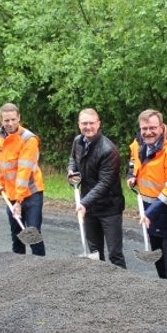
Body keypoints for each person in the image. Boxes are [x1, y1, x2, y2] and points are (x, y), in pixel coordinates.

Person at [127, 109, 167, 281]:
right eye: (144, 128)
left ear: (162, 127)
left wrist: (149, 213)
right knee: (159, 264)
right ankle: (164, 299)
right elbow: (134, 159)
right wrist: (131, 174)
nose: (148, 132)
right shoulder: (139, 143)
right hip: (151, 215)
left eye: (152, 128)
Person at [66, 108, 127, 268]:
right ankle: (98, 286)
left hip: (109, 207)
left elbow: (105, 183)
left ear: (98, 124)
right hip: (89, 207)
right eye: (84, 123)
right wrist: (72, 172)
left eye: (91, 123)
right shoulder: (78, 141)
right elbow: (73, 159)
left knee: (115, 254)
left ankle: (124, 287)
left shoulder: (108, 150)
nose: (88, 127)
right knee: (94, 252)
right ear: (79, 125)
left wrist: (84, 203)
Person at [0, 102, 46, 256]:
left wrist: (19, 202)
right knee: (16, 235)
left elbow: (24, 172)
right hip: (10, 193)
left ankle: (42, 268)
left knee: (31, 232)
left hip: (31, 193)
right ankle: (18, 270)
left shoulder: (29, 139)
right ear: (1, 120)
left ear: (19, 118)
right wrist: (1, 184)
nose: (10, 124)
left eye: (13, 120)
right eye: (6, 120)